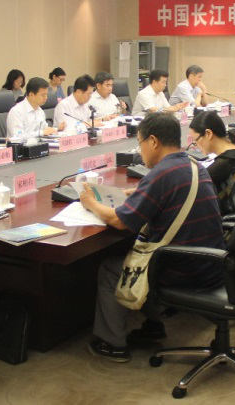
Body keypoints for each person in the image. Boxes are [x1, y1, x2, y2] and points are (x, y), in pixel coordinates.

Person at [79, 112, 225, 362]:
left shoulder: (161, 174)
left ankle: (112, 343)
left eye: (140, 143)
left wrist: (90, 202)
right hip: (211, 263)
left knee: (112, 268)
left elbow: (119, 221)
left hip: (183, 271)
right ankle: (153, 326)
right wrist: (140, 192)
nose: (140, 150)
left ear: (153, 141)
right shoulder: (193, 165)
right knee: (143, 255)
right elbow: (168, 191)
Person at [189, 111, 235, 215]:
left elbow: (192, 186)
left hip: (232, 221)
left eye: (196, 140)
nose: (195, 145)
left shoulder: (224, 163)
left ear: (208, 134)